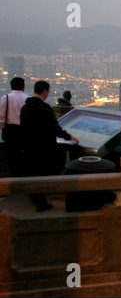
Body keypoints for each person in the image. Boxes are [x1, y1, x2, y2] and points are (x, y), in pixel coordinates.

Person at [20, 80, 79, 212]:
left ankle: (36, 198)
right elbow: (54, 128)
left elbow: (22, 129)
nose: (48, 94)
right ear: (44, 91)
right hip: (44, 147)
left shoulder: (25, 107)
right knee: (44, 174)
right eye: (48, 91)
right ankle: (42, 203)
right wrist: (69, 137)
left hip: (29, 147)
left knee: (33, 173)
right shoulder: (45, 108)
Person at [0, 77, 29, 177]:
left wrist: (4, 128)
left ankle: (13, 180)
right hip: (24, 133)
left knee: (11, 159)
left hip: (10, 133)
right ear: (23, 86)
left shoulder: (5, 99)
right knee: (25, 159)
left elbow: (1, 118)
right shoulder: (28, 99)